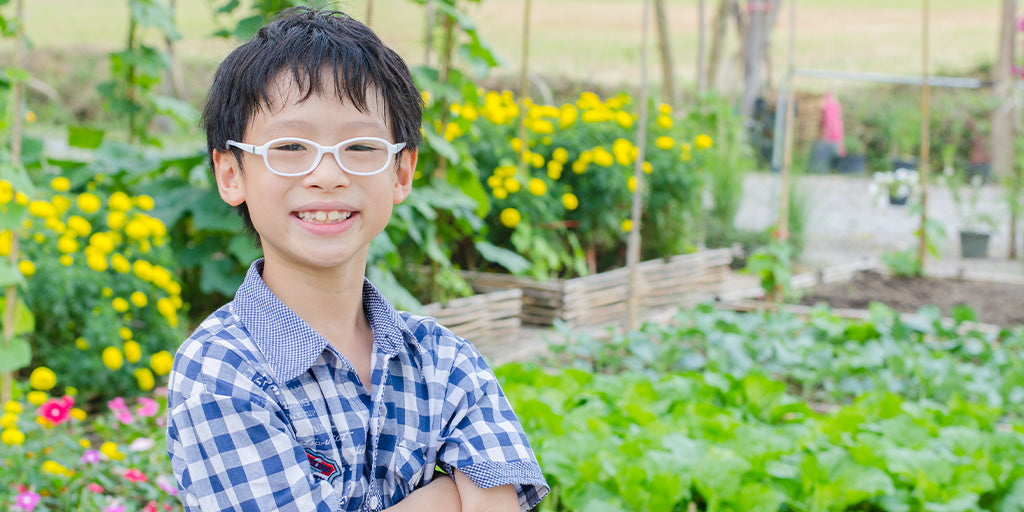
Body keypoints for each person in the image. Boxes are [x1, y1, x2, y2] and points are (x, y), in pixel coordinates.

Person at [165, 7, 549, 511]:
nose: (327, 174)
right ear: (231, 173)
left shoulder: (445, 361)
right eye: (291, 146)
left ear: (401, 173)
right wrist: (448, 497)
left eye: (360, 146)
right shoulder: (220, 372)